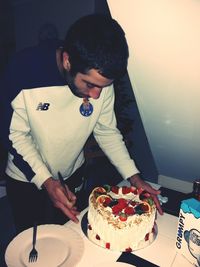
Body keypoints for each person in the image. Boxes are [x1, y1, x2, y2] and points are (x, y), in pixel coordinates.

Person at [0, 14, 163, 234]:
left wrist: (134, 177)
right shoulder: (22, 70)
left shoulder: (101, 80)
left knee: (67, 236)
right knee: (32, 245)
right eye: (90, 84)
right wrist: (46, 181)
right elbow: (14, 136)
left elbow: (106, 131)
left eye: (103, 87)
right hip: (26, 179)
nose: (96, 95)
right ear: (67, 61)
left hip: (72, 175)